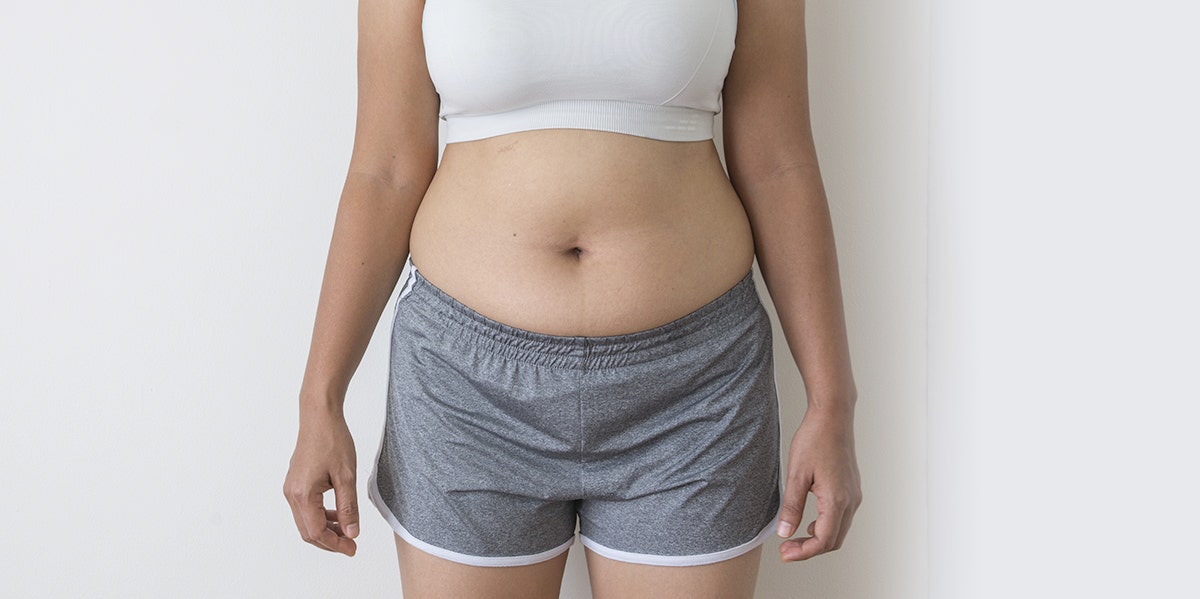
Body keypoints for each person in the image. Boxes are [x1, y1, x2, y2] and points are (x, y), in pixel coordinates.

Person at [284, 0, 862, 596]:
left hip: (692, 392)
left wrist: (832, 402)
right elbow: (384, 172)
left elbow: (779, 166)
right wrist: (320, 400)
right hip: (467, 393)